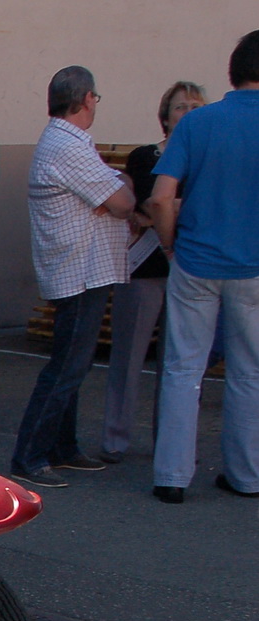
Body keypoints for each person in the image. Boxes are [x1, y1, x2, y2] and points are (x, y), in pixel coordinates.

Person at [8, 68, 135, 489]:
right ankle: (30, 455)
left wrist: (113, 191)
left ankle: (63, 447)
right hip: (79, 271)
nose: (97, 103)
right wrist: (117, 190)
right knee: (67, 367)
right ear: (83, 99)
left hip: (84, 268)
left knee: (73, 367)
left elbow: (113, 196)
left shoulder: (68, 143)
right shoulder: (68, 145)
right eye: (95, 96)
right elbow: (121, 201)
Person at [148, 30, 259, 504]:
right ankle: (247, 474)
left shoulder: (196, 123)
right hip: (252, 265)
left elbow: (160, 197)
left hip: (195, 259)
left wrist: (171, 246)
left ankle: (172, 475)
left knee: (181, 369)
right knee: (249, 372)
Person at [99, 82, 208, 465]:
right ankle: (115, 437)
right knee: (128, 355)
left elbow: (171, 209)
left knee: (178, 362)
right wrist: (174, 209)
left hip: (192, 271)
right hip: (145, 269)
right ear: (165, 116)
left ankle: (171, 441)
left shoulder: (208, 157)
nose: (189, 112)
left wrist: (167, 210)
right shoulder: (147, 157)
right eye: (181, 107)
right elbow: (152, 201)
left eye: (197, 106)